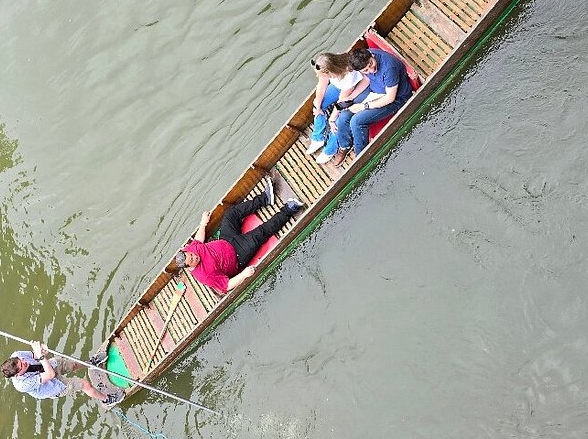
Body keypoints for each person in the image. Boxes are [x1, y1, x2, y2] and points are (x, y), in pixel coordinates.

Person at [170, 173, 303, 294]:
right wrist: (244, 274)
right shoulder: (205, 276)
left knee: (231, 214)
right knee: (262, 232)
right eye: (192, 260)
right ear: (189, 267)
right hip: (238, 255)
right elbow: (226, 285)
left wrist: (203, 223)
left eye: (192, 255)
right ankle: (289, 209)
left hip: (226, 240)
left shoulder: (189, 250)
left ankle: (265, 198)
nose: (195, 257)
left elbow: (198, 242)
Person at [315, 46, 414, 165]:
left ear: (371, 55)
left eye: (371, 64)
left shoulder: (389, 68)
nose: (371, 70)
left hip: (396, 99)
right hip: (374, 91)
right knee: (344, 115)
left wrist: (364, 106)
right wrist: (351, 98)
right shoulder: (363, 65)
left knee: (357, 121)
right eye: (366, 70)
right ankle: (344, 146)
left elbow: (390, 98)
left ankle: (360, 158)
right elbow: (367, 80)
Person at [1, 340, 117, 405]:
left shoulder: (17, 356)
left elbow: (36, 355)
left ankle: (91, 363)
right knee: (85, 384)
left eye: (21, 361)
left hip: (48, 365)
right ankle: (107, 399)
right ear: (17, 374)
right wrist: (41, 356)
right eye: (23, 366)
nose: (24, 362)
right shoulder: (22, 385)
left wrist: (42, 350)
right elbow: (50, 375)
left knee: (73, 364)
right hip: (53, 386)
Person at [305, 52, 370, 154]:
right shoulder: (327, 67)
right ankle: (318, 138)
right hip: (338, 86)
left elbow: (341, 102)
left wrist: (332, 119)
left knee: (338, 121)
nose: (317, 76)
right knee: (318, 103)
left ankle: (330, 150)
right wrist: (317, 107)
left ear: (329, 72)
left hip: (353, 90)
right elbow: (321, 85)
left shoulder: (348, 76)